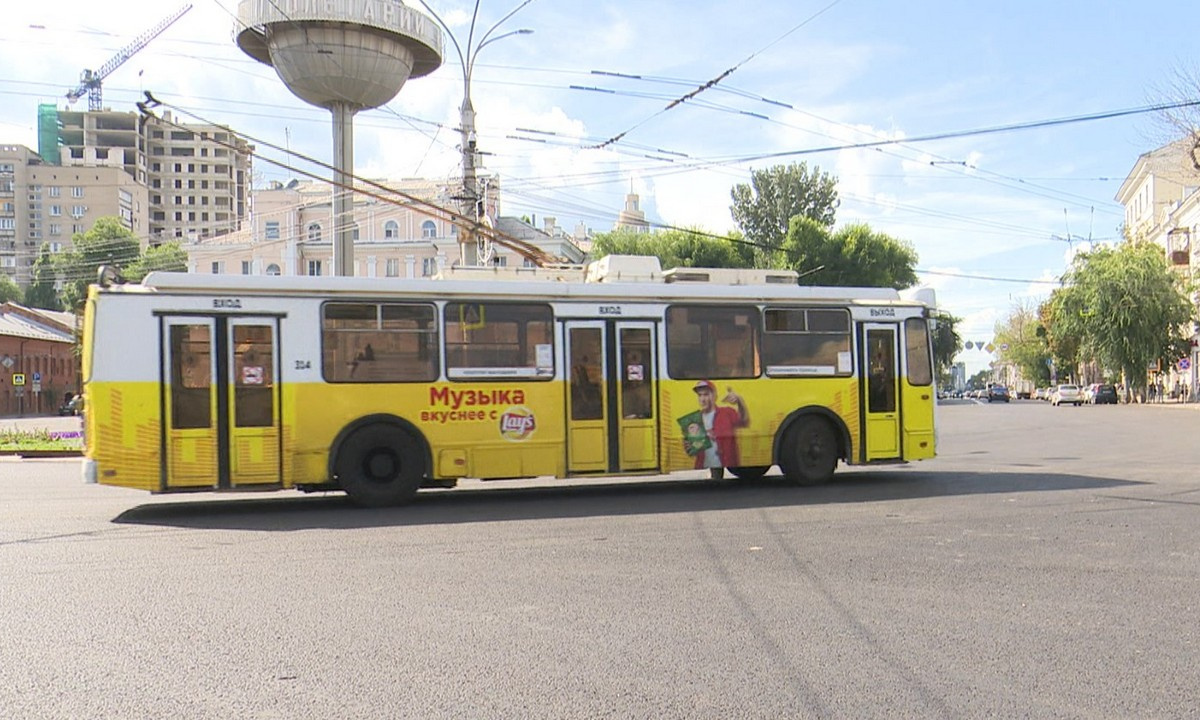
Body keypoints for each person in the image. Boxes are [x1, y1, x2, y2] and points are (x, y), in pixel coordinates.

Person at [686, 380, 749, 479]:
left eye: (706, 394)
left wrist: (740, 401)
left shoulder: (727, 413)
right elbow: (690, 451)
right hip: (705, 463)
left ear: (714, 395)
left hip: (725, 461)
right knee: (715, 482)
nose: (702, 399)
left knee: (717, 485)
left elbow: (744, 421)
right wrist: (692, 443)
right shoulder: (694, 420)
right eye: (700, 395)